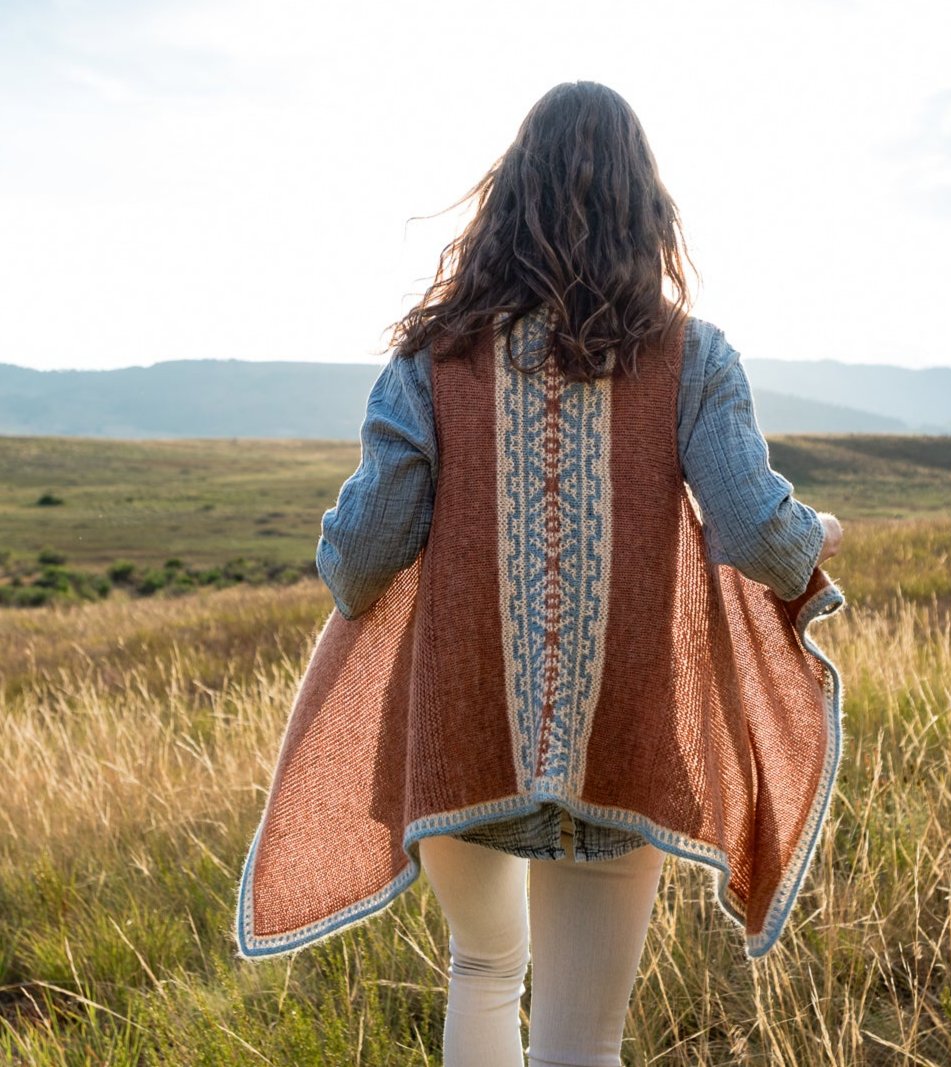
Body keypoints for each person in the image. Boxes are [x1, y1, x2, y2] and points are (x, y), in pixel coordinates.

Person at [236, 81, 844, 1067]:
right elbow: (762, 539)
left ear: (503, 205)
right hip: (622, 737)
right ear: (645, 209)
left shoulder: (430, 362)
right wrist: (816, 526)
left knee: (482, 967)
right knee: (581, 1038)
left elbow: (356, 564)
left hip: (463, 728)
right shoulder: (691, 356)